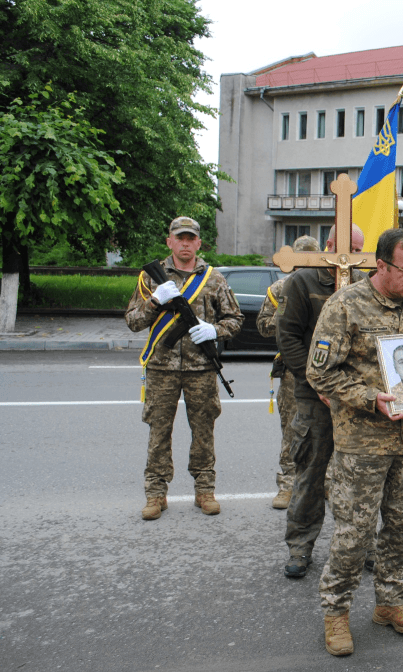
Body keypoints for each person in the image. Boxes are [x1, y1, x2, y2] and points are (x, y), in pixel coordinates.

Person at [306, 228, 403, 657]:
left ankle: (389, 603)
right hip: (363, 442)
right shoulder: (344, 305)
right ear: (381, 266)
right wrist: (372, 399)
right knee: (356, 533)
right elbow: (320, 373)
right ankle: (336, 613)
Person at [126, 216, 243, 520]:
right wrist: (154, 301)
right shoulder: (151, 278)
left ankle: (205, 491)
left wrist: (214, 330)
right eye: (180, 238)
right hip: (161, 368)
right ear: (170, 241)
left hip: (201, 369)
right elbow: (133, 321)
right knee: (158, 431)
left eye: (191, 238)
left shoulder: (214, 279)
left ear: (199, 243)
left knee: (204, 431)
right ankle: (155, 494)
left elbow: (235, 319)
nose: (186, 243)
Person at [276, 225, 368, 579]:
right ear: (329, 246)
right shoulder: (301, 283)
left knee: (360, 476)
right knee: (311, 473)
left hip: (354, 395)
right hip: (314, 394)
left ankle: (365, 546)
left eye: (360, 250)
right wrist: (318, 384)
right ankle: (300, 546)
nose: (354, 257)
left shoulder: (363, 283)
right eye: (349, 248)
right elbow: (289, 339)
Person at [256, 235, 320, 510]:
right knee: (293, 430)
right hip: (293, 369)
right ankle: (287, 485)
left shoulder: (326, 285)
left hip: (324, 366)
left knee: (324, 430)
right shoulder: (280, 288)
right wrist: (287, 317)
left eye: (310, 258)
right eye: (300, 259)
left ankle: (324, 482)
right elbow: (263, 326)